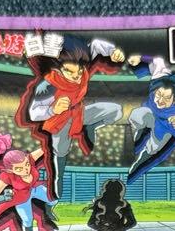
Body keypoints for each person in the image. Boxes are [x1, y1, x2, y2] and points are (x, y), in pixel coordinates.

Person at [16, 35, 138, 200]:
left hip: (79, 113)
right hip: (60, 122)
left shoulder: (81, 64)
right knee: (61, 152)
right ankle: (57, 181)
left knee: (116, 111)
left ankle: (90, 127)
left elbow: (95, 45)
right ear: (57, 69)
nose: (77, 76)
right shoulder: (47, 86)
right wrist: (53, 109)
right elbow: (34, 112)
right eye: (70, 72)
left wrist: (113, 51)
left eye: (80, 71)